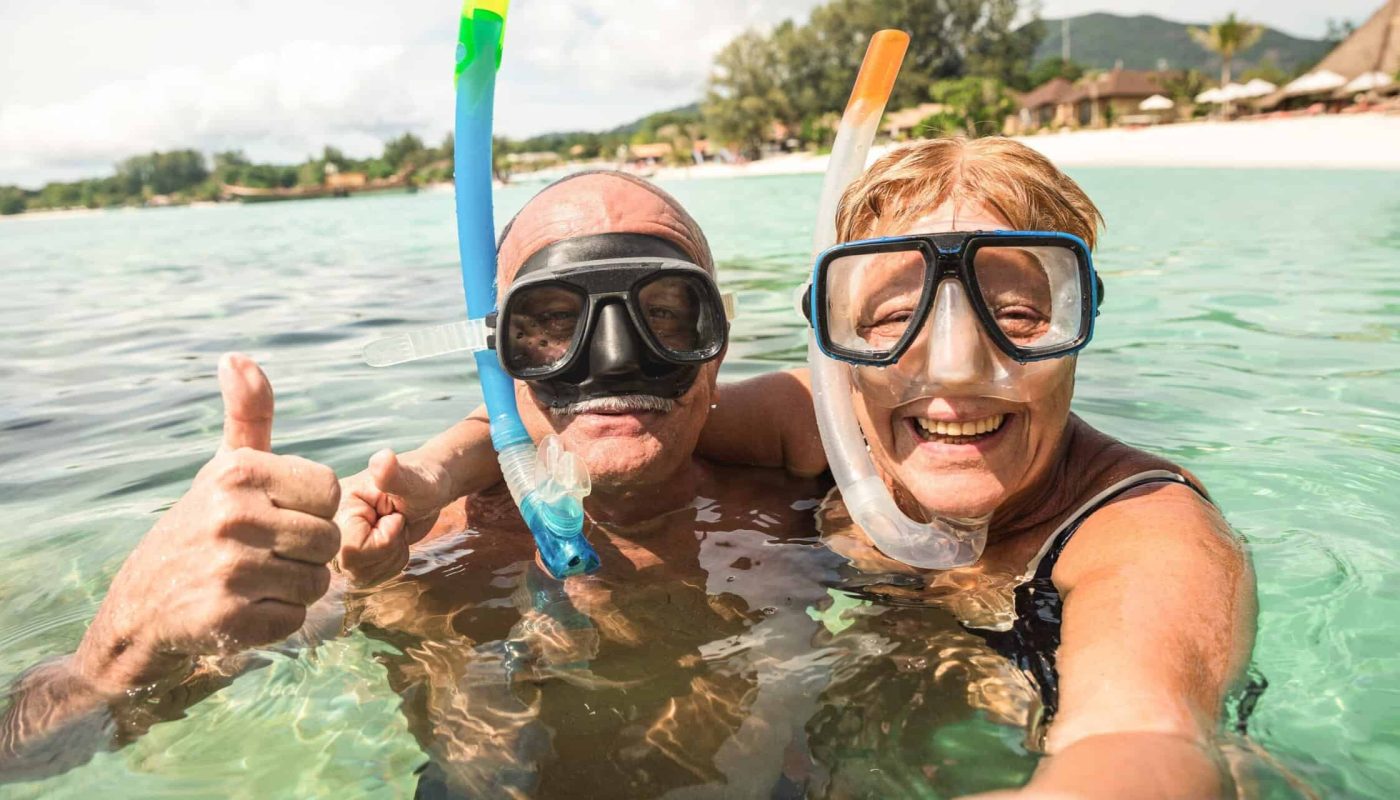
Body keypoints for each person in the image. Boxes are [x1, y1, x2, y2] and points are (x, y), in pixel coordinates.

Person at [698, 137, 1260, 799]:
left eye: (1017, 315)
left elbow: (1139, 741)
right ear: (837, 342)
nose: (954, 365)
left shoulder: (1149, 535)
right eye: (897, 317)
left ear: (1080, 319)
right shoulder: (819, 420)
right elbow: (637, 429)